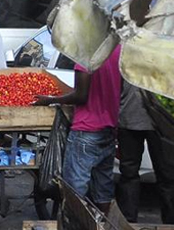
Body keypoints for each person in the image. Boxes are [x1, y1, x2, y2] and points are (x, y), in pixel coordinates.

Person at [34, 45, 122, 210]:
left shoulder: (86, 53)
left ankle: (74, 228)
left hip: (85, 131)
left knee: (74, 188)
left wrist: (50, 99)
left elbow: (81, 95)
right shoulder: (116, 50)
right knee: (103, 188)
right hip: (109, 128)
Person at [116, 78, 174, 222]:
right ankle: (129, 222)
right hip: (133, 120)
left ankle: (169, 224)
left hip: (157, 122)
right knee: (163, 176)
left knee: (165, 176)